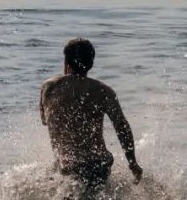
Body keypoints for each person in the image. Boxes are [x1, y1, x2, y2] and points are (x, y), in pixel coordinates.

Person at [40, 37, 142, 187]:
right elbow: (122, 127)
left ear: (66, 62)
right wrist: (133, 163)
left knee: (63, 183)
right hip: (98, 165)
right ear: (91, 64)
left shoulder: (49, 87)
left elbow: (44, 120)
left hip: (67, 165)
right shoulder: (103, 91)